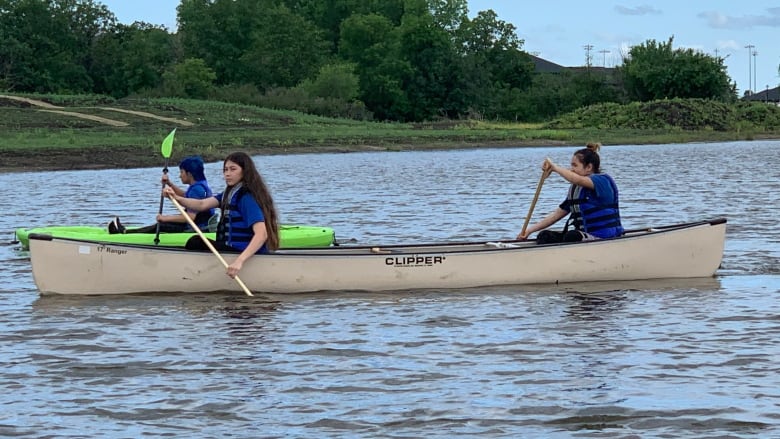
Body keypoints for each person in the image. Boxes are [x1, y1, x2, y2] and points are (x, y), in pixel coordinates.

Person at [163, 152, 280, 278]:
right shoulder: (228, 194)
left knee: (195, 242)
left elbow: (261, 234)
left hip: (241, 252)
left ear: (245, 171)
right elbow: (202, 204)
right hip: (230, 249)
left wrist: (239, 261)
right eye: (225, 170)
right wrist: (175, 198)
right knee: (195, 242)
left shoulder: (246, 198)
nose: (227, 174)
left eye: (233, 169)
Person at [517, 142, 623, 243]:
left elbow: (577, 179)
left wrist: (555, 168)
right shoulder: (577, 190)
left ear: (589, 167)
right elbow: (555, 215)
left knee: (572, 236)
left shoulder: (602, 181)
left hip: (603, 236)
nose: (571, 169)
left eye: (575, 165)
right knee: (544, 236)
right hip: (585, 236)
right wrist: (529, 230)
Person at [108, 156, 216, 234]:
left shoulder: (197, 189)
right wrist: (169, 183)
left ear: (189, 174)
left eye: (181, 172)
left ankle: (124, 232)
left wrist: (165, 218)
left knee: (160, 226)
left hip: (195, 229)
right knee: (162, 224)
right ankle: (128, 231)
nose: (180, 176)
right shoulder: (200, 185)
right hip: (200, 225)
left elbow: (189, 218)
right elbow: (186, 196)